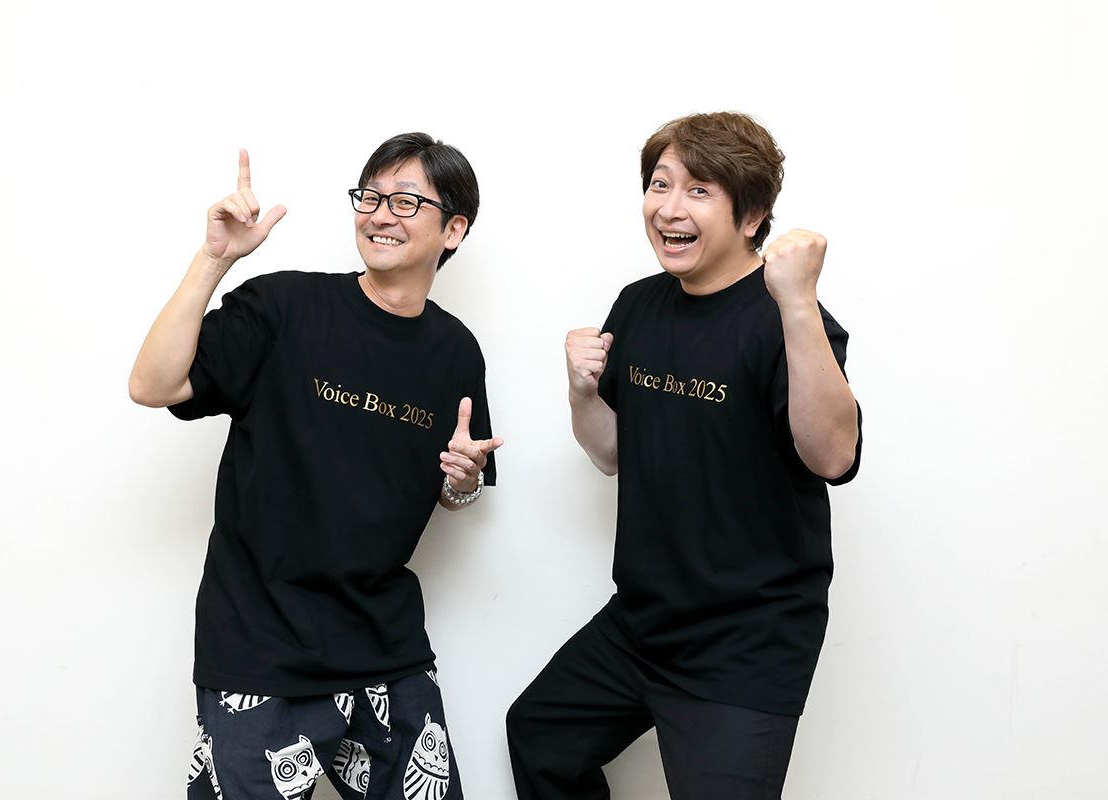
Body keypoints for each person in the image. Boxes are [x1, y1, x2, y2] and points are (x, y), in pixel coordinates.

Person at [129, 133, 501, 800]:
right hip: (260, 644)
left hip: (384, 647)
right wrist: (214, 261)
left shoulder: (455, 351)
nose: (380, 215)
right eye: (371, 197)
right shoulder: (284, 307)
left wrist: (462, 483)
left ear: (454, 229)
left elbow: (453, 486)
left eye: (406, 201)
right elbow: (152, 385)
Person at [506, 112, 862, 800]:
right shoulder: (639, 306)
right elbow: (611, 453)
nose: (669, 208)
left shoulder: (788, 320)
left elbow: (833, 457)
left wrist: (797, 303)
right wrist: (581, 392)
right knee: (541, 735)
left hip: (746, 642)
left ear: (751, 216)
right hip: (642, 622)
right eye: (660, 184)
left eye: (699, 190)